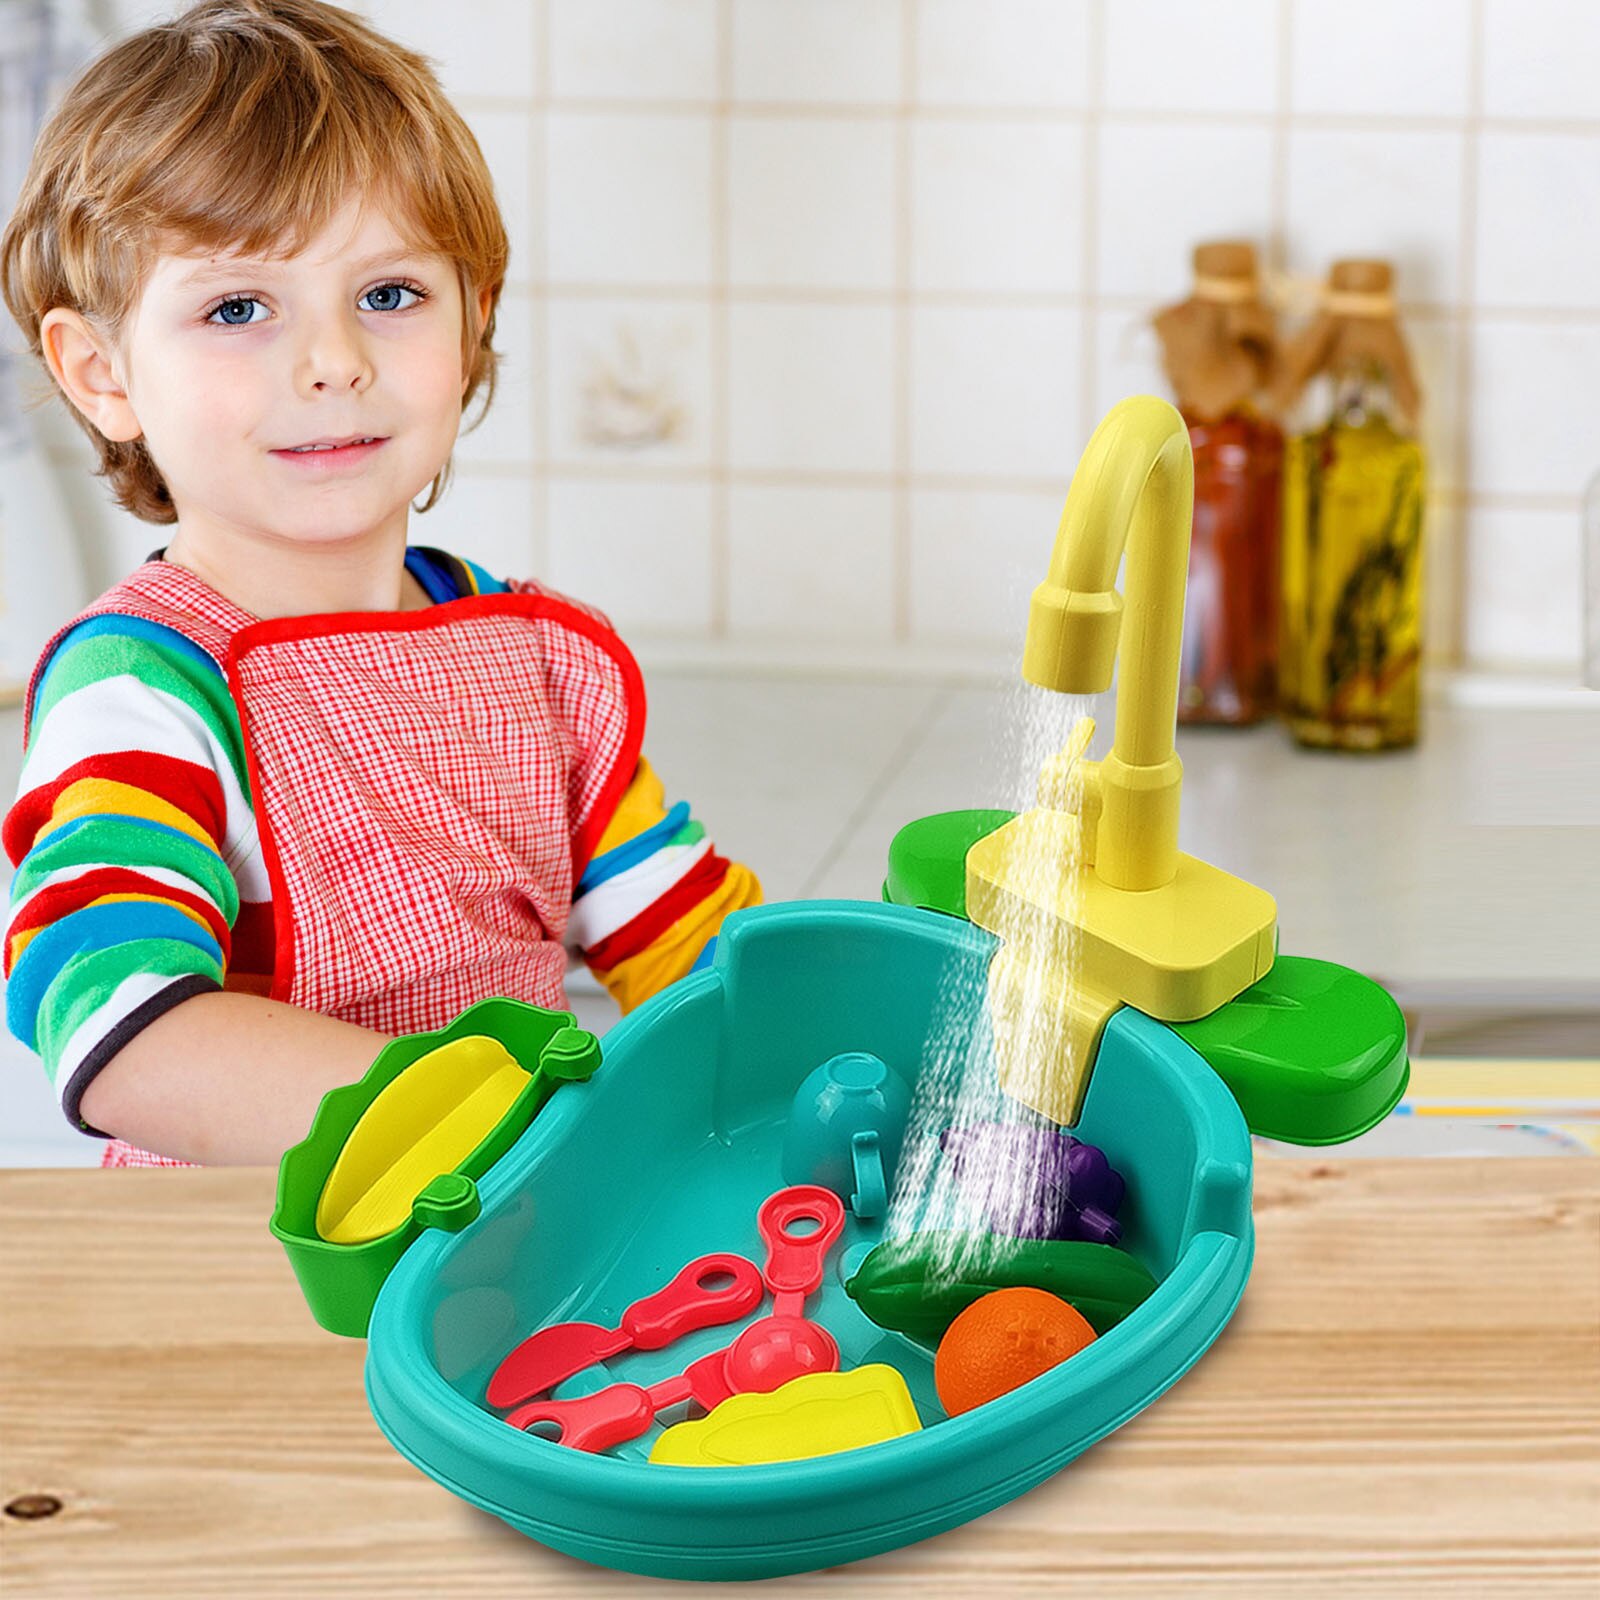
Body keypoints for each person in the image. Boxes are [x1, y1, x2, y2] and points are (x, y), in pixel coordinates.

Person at [0, 0, 761, 1168]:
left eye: (391, 294)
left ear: (474, 322)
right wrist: (494, 1115)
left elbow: (701, 951)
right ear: (103, 373)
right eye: (237, 308)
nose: (335, 362)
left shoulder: (536, 658)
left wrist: (852, 1029)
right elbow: (117, 1030)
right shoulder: (143, 695)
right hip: (247, 1266)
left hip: (506, 1249)